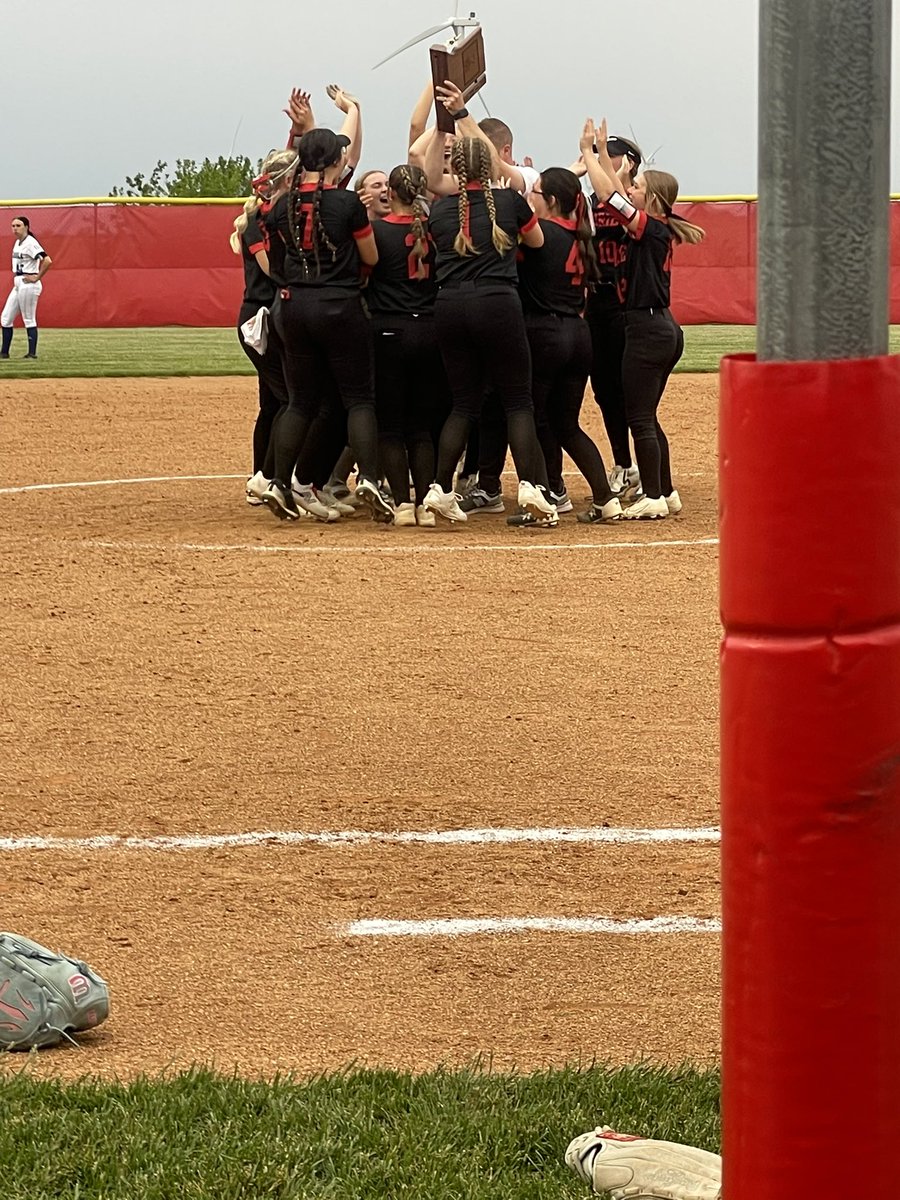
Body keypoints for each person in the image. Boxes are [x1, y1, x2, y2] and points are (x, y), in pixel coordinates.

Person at [258, 126, 392, 523]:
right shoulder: (347, 203)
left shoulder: (282, 204)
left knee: (300, 401)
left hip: (295, 307)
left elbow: (278, 262)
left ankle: (279, 483)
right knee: (359, 399)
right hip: (340, 305)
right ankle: (368, 477)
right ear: (336, 161)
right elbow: (370, 254)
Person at [422, 135, 555, 525]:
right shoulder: (510, 203)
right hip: (497, 302)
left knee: (463, 403)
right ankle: (530, 485)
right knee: (518, 400)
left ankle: (440, 488)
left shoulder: (441, 211)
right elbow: (538, 240)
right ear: (492, 164)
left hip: (449, 304)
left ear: (456, 169)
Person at [580, 118, 705, 519]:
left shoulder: (650, 229)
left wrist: (590, 154)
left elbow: (609, 198)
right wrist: (602, 154)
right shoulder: (656, 226)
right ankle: (665, 491)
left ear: (650, 199)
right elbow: (615, 195)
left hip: (648, 328)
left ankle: (651, 494)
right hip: (659, 325)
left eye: (637, 188)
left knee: (639, 417)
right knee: (647, 414)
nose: (630, 190)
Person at [518, 167, 623, 524]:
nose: (530, 196)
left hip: (545, 333)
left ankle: (543, 497)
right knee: (565, 423)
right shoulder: (580, 235)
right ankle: (605, 498)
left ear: (549, 201)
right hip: (579, 335)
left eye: (536, 192)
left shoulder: (540, 233)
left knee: (530, 417)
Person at [368, 163, 449, 527]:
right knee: (422, 426)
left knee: (390, 426)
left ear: (392, 194)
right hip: (430, 330)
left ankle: (401, 504)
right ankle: (424, 503)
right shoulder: (434, 232)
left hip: (389, 330)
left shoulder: (378, 231)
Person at [230, 149, 296, 506]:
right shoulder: (259, 221)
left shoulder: (276, 215)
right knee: (289, 398)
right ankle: (266, 477)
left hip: (267, 313)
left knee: (272, 401)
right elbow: (270, 267)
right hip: (260, 317)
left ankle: (261, 475)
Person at [1, 216, 51, 359]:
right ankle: (4, 353)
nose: (15, 228)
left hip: (28, 283)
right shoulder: (18, 243)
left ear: (26, 227)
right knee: (5, 318)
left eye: (18, 225)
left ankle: (32, 353)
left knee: (29, 318)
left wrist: (37, 277)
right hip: (18, 282)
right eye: (13, 225)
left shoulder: (30, 242)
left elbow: (47, 260)